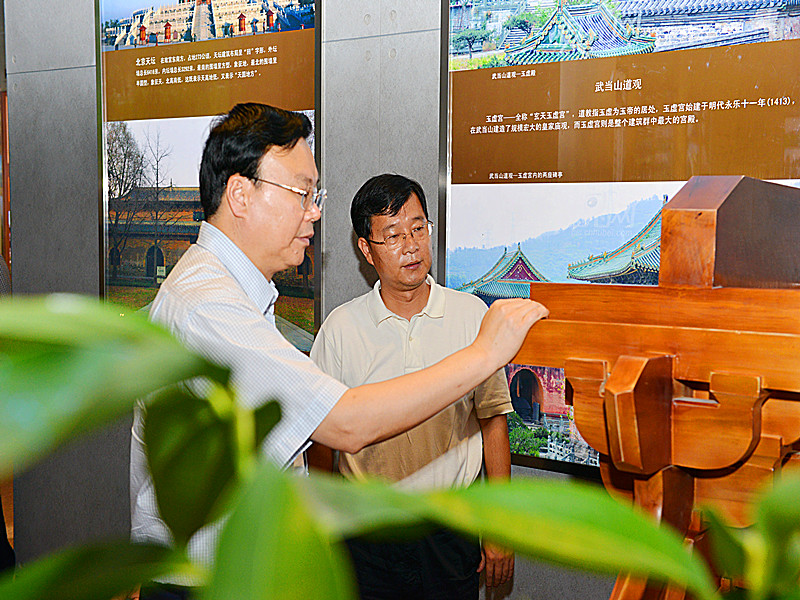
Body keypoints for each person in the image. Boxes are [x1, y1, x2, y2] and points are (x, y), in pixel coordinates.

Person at [130, 103, 548, 598]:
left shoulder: (233, 295)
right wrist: (484, 354)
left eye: (316, 194)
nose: (315, 211)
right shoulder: (209, 308)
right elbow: (344, 425)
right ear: (241, 194)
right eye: (303, 193)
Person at [309, 174, 514, 600]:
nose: (412, 245)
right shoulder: (341, 329)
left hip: (449, 530)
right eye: (394, 234)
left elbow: (493, 420)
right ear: (366, 248)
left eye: (419, 228)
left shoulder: (471, 316)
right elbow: (321, 440)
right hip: (367, 533)